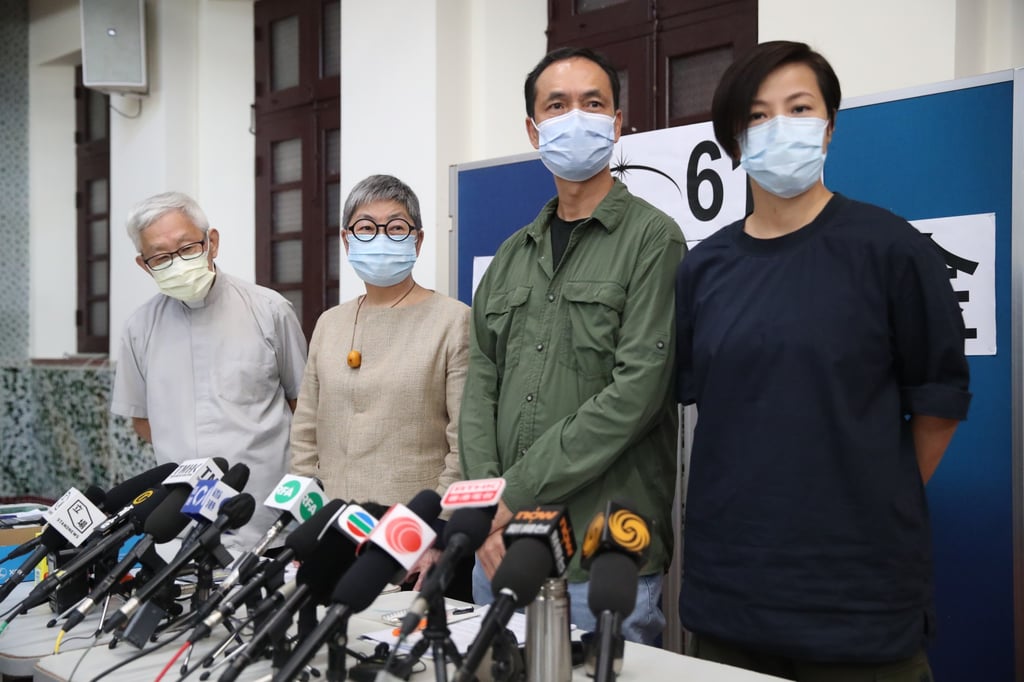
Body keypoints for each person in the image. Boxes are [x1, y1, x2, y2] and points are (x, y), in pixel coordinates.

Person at [674, 41, 972, 681]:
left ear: (830, 126)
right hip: (733, 597)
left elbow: (938, 407)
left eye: (799, 107)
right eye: (756, 115)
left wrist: (863, 494)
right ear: (734, 140)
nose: (779, 126)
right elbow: (711, 405)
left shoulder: (892, 250)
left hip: (858, 603)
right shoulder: (704, 270)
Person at [459, 46, 686, 644]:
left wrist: (514, 493)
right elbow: (479, 386)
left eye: (593, 103)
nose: (575, 117)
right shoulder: (510, 255)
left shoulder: (652, 240)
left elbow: (637, 393)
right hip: (498, 547)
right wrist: (485, 506)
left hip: (601, 555)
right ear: (534, 129)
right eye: (557, 105)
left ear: (616, 124)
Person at [289, 174, 469, 591]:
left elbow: (465, 444)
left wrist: (433, 533)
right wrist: (307, 515)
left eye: (396, 227)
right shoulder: (330, 323)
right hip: (335, 530)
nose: (381, 237)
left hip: (414, 543)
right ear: (347, 239)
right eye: (367, 227)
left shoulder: (453, 320)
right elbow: (306, 431)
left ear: (418, 240)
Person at [111, 191, 308, 550]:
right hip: (178, 522)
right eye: (161, 257)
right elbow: (141, 420)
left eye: (187, 248)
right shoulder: (139, 327)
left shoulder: (269, 310)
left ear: (211, 243)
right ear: (144, 264)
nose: (177, 263)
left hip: (264, 517)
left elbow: (303, 405)